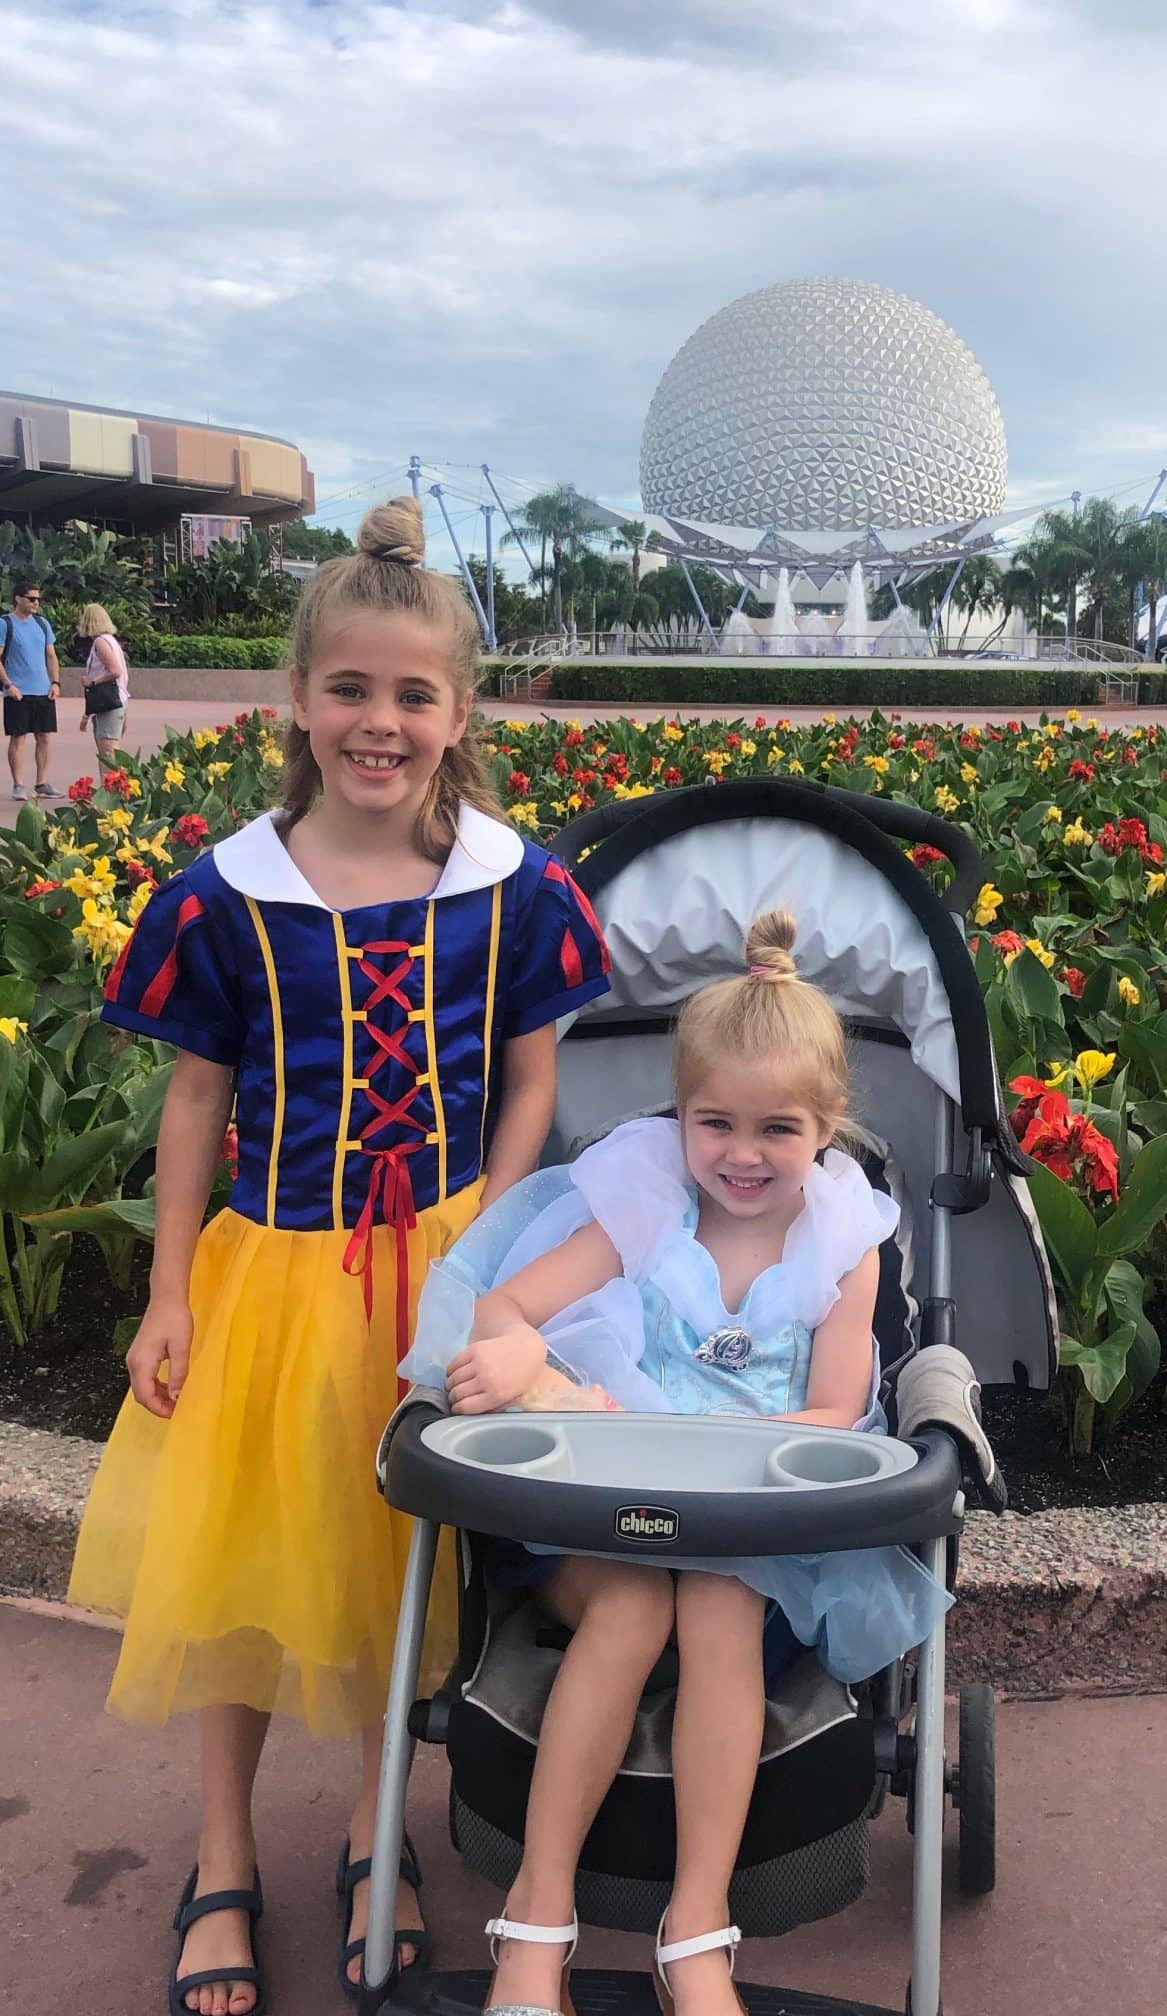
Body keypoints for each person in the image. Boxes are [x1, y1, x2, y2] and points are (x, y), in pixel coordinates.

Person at [66, 496, 611, 2016]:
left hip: (447, 1265)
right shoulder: (227, 893)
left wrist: (489, 1257)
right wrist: (170, 1291)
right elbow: (195, 1103)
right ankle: (224, 1854)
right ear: (299, 702)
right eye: (351, 690)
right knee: (244, 1575)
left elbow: (533, 1084)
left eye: (413, 695)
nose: (381, 722)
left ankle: (382, 1836)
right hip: (275, 1276)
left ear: (457, 713)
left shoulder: (520, 885)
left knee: (403, 1575)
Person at [409, 911, 951, 2016]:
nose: (742, 1156)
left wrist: (745, 1486)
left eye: (776, 1130)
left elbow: (838, 1404)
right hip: (601, 1509)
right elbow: (512, 1302)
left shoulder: (842, 1247)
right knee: (633, 1605)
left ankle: (697, 1924)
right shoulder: (642, 1211)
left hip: (747, 1520)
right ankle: (537, 1911)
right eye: (715, 1124)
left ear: (827, 1128)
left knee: (709, 1604)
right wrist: (511, 1343)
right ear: (679, 1115)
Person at [1, 577, 61, 800]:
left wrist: (55, 682)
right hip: (18, 692)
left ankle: (42, 782)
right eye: (31, 598)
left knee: (44, 736)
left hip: (42, 690)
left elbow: (51, 655)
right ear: (18, 599)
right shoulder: (5, 623)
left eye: (38, 599)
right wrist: (9, 685)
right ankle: (18, 784)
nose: (36, 603)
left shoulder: (42, 624)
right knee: (18, 737)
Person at [76, 602, 130, 761]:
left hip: (109, 703)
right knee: (108, 753)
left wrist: (93, 682)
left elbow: (115, 670)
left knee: (108, 754)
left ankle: (113, 786)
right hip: (118, 699)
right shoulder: (111, 641)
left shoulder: (100, 642)